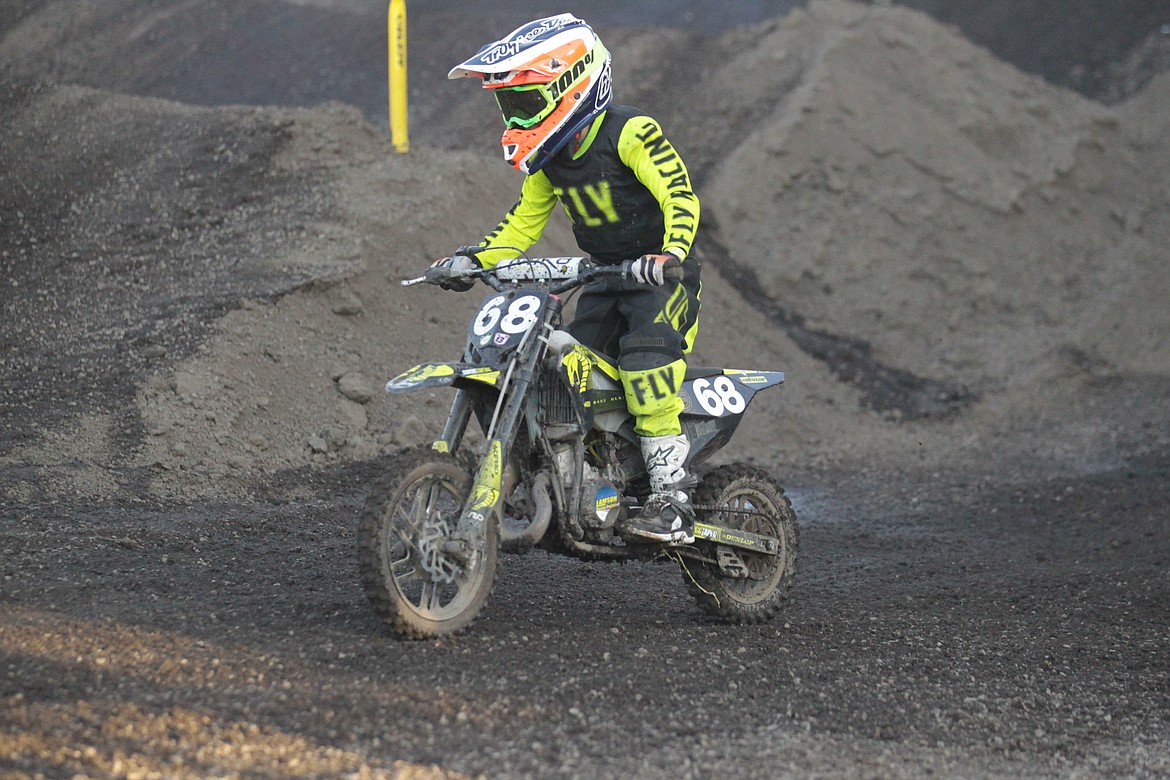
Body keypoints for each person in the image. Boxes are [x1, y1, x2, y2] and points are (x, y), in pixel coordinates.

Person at [435, 14, 701, 544]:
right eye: (509, 106)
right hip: (603, 279)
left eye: (525, 103)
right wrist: (474, 260)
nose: (515, 116)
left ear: (570, 86)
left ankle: (673, 499)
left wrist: (669, 252)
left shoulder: (630, 132)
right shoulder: (549, 163)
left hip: (659, 278)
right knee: (567, 373)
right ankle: (591, 481)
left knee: (645, 367)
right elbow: (520, 225)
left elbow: (680, 195)